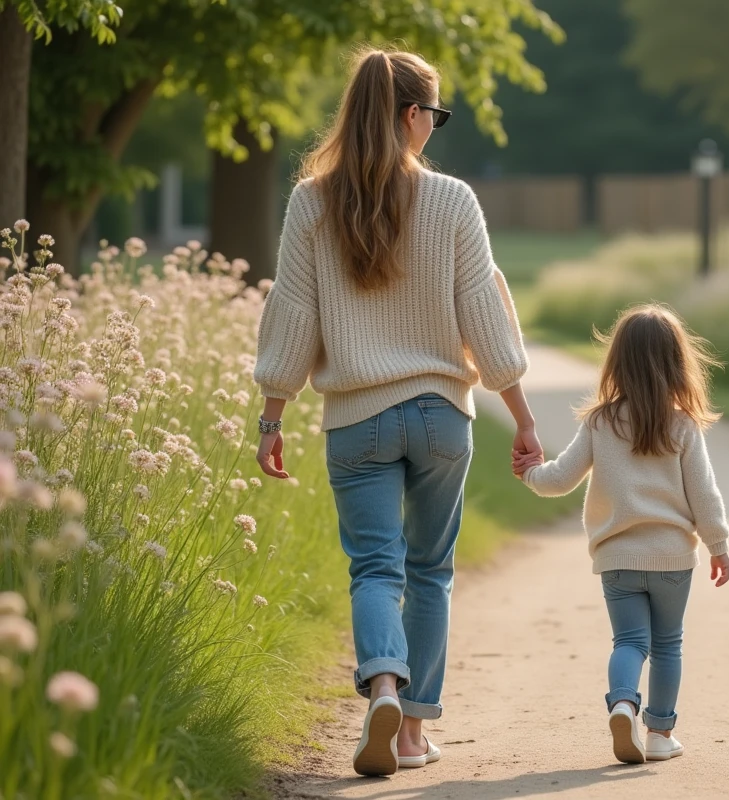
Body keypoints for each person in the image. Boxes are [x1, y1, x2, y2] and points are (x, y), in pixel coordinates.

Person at [252, 48, 542, 777]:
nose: (434, 129)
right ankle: (412, 735)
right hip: (443, 416)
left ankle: (383, 681)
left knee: (375, 568)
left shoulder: (310, 202)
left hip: (356, 420)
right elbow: (485, 315)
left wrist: (272, 415)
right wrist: (523, 414)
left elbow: (292, 315)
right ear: (411, 115)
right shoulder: (453, 201)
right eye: (434, 115)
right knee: (431, 569)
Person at [514, 304, 729, 764]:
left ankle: (621, 704)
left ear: (617, 361)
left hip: (617, 559)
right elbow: (705, 496)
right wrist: (719, 546)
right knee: (668, 643)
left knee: (630, 642)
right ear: (678, 363)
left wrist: (531, 473)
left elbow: (560, 480)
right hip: (672, 557)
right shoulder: (683, 426)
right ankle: (659, 735)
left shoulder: (600, 422)